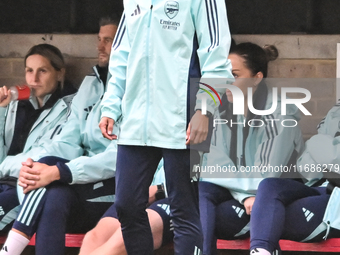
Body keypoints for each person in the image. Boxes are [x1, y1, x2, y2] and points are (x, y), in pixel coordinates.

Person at [99, 1, 233, 254]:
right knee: (126, 206)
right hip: (136, 121)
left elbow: (216, 55)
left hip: (184, 118)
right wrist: (111, 106)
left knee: (184, 209)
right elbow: (121, 55)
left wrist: (204, 110)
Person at [0, 17, 118, 255]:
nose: (100, 46)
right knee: (49, 181)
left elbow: (120, 156)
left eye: (109, 40)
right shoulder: (90, 85)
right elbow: (68, 143)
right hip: (68, 178)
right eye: (99, 39)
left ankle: (9, 250)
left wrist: (57, 171)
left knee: (50, 193)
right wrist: (43, 168)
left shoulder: (131, 90)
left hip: (112, 183)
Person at [198, 42, 305, 255]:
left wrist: (244, 193)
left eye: (235, 75)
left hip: (288, 190)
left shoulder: (279, 115)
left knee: (268, 188)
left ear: (256, 79)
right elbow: (213, 166)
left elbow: (266, 175)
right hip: (245, 191)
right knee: (202, 189)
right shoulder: (220, 113)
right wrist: (244, 196)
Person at [0, 43, 76, 235]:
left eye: (42, 71)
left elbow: (46, 154)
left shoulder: (70, 107)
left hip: (25, 189)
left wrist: (5, 164)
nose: (34, 79)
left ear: (59, 73)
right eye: (29, 71)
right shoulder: (17, 105)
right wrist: (1, 111)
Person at [249, 103, 340, 255]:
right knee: (270, 186)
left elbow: (332, 156)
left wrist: (317, 143)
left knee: (269, 216)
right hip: (318, 185)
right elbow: (305, 165)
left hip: (335, 199)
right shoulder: (336, 110)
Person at [79, 165, 173, 255]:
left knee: (124, 241)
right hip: (143, 191)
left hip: (178, 195)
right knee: (94, 238)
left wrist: (161, 189)